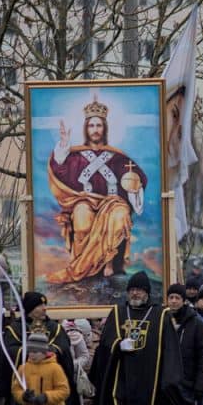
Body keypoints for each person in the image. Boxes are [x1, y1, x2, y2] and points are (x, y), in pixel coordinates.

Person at [90, 272, 187, 405]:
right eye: (132, 289)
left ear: (147, 293)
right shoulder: (118, 312)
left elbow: (170, 348)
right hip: (121, 379)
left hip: (148, 382)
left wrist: (170, 379)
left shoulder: (160, 315)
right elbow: (105, 343)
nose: (135, 293)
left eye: (140, 290)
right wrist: (118, 344)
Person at [46, 94, 146, 282]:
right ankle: (84, 266)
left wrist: (133, 185)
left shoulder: (117, 157)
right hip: (84, 200)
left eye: (99, 125)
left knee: (119, 216)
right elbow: (59, 171)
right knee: (82, 219)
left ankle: (109, 263)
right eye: (91, 125)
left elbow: (135, 178)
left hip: (113, 202)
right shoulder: (76, 156)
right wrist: (64, 145)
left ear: (105, 128)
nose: (95, 130)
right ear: (86, 129)